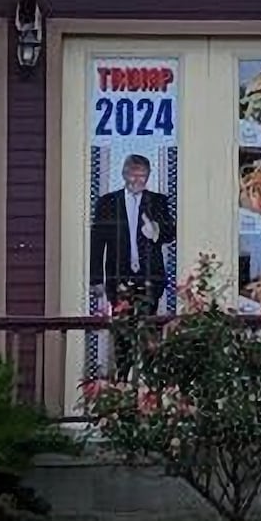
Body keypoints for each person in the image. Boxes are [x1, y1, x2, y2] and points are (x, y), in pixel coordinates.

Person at [89, 153, 172, 370]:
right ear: (124, 174)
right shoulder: (107, 202)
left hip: (150, 278)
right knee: (122, 333)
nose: (138, 181)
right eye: (134, 175)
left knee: (149, 332)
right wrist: (95, 279)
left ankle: (150, 384)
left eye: (143, 176)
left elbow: (170, 233)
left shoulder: (158, 201)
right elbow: (97, 243)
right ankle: (123, 381)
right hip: (118, 278)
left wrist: (156, 231)